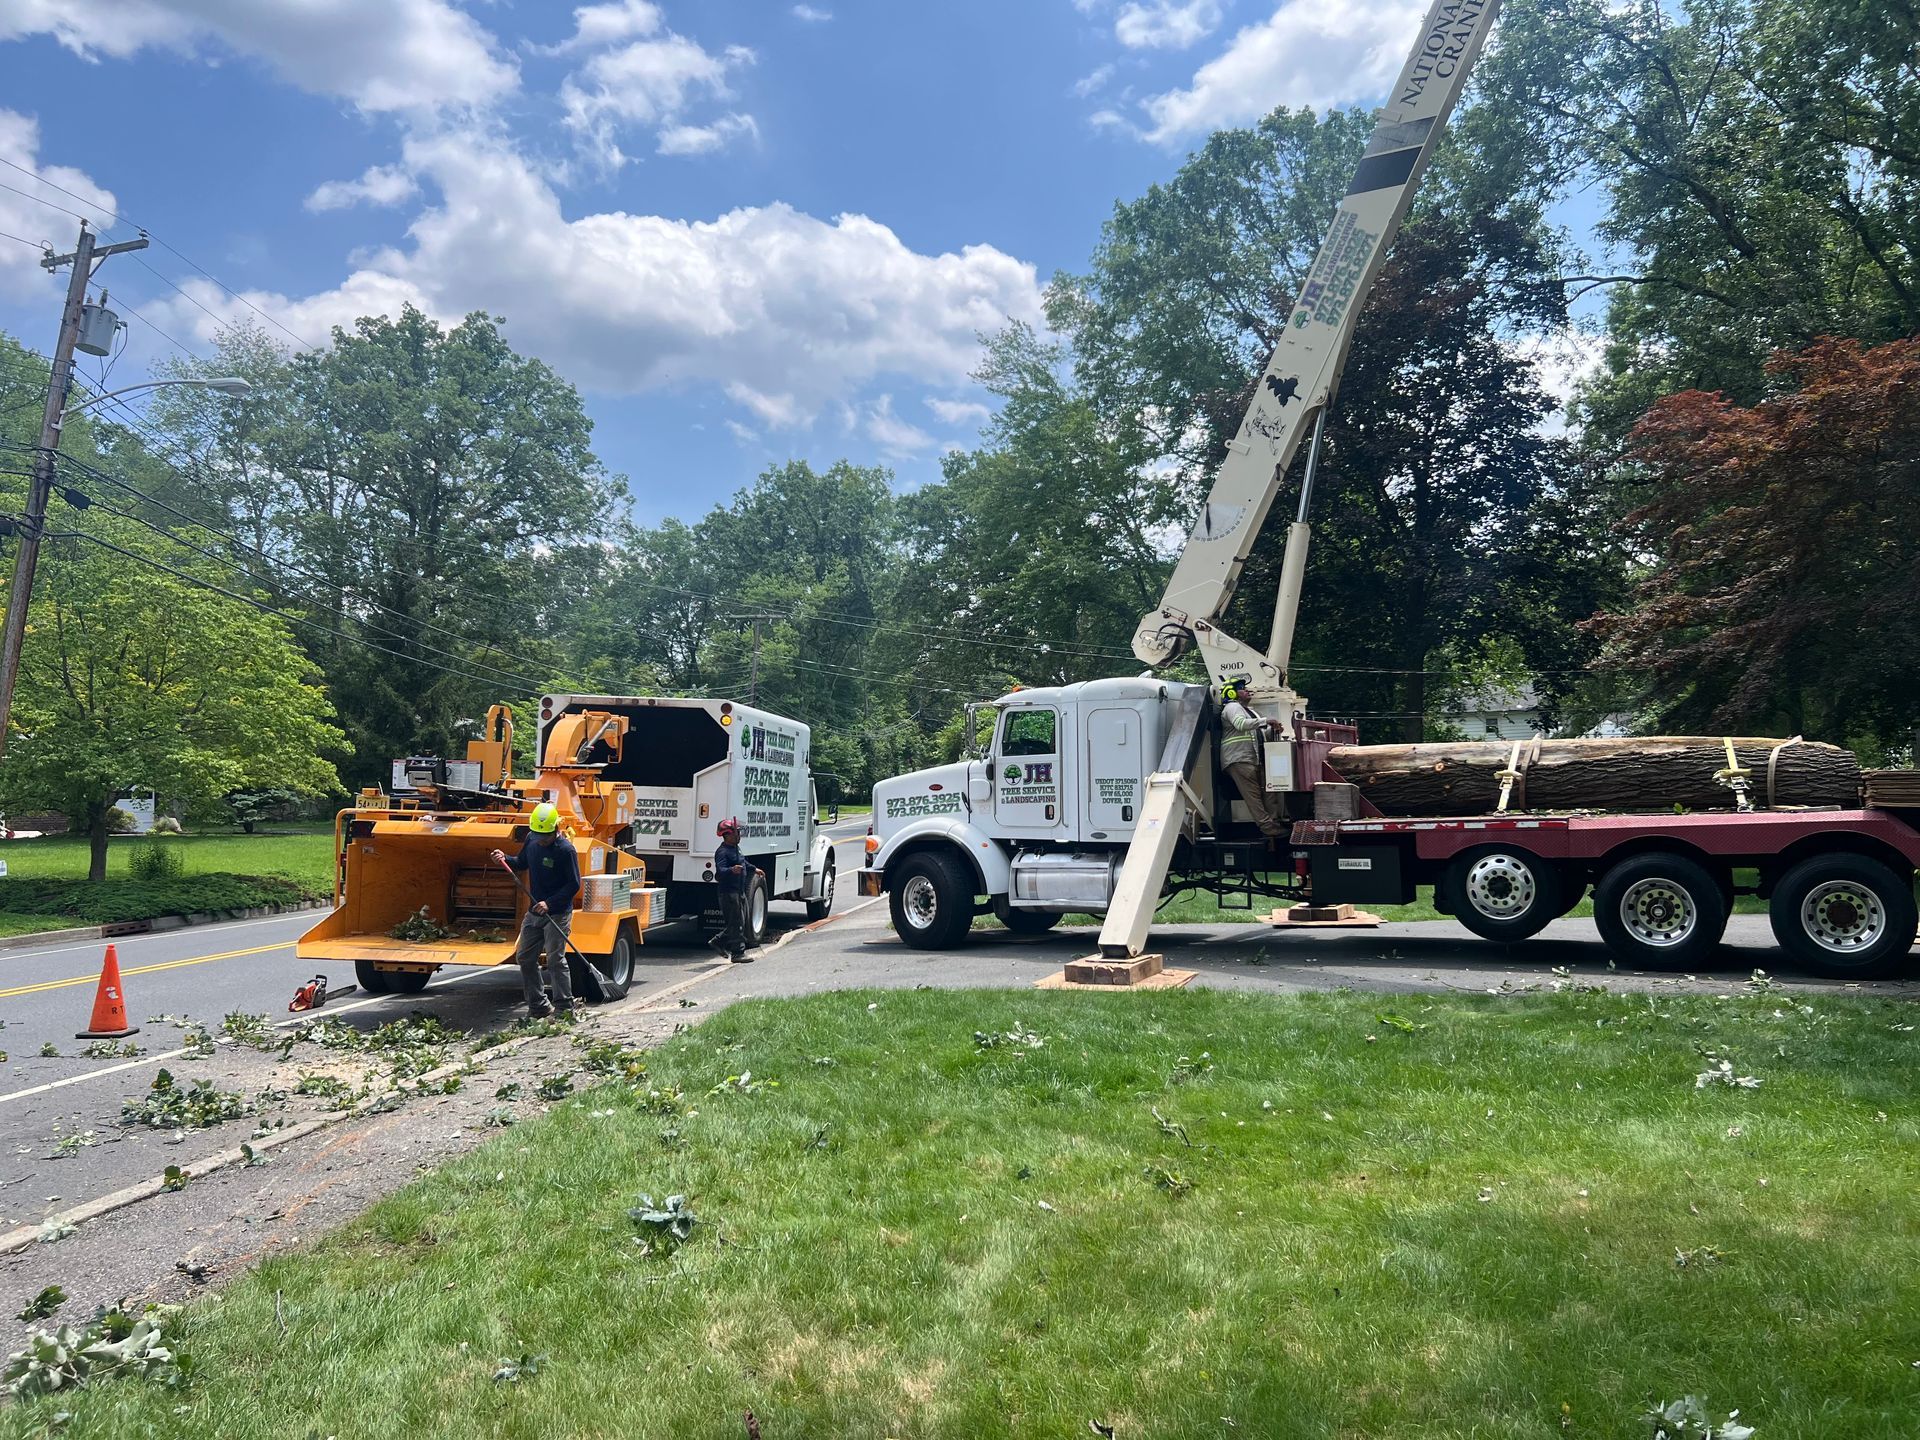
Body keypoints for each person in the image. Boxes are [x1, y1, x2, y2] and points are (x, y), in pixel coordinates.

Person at [491, 802, 581, 1019]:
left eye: (546, 836)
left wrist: (549, 903)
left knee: (554, 960)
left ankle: (564, 1008)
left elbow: (574, 884)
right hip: (534, 912)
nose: (541, 840)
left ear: (556, 830)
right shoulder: (532, 839)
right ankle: (539, 1005)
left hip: (556, 913)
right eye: (538, 835)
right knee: (524, 957)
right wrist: (505, 859)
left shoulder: (565, 850)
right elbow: (521, 863)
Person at [1219, 676, 1286, 839]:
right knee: (1254, 796)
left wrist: (1273, 730)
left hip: (1253, 759)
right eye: (1241, 687)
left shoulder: (1251, 711)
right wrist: (1265, 720)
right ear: (1231, 693)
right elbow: (1241, 725)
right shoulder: (1232, 707)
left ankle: (1274, 822)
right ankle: (1268, 828)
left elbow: (1258, 734)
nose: (1247, 690)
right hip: (1239, 759)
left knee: (1269, 790)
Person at [711, 817, 759, 963]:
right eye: (736, 833)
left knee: (741, 921)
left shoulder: (735, 849)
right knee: (736, 923)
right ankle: (737, 953)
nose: (739, 835)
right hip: (729, 892)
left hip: (739, 890)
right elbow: (720, 870)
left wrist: (754, 869)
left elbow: (743, 862)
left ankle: (719, 942)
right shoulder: (722, 852)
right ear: (728, 835)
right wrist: (731, 870)